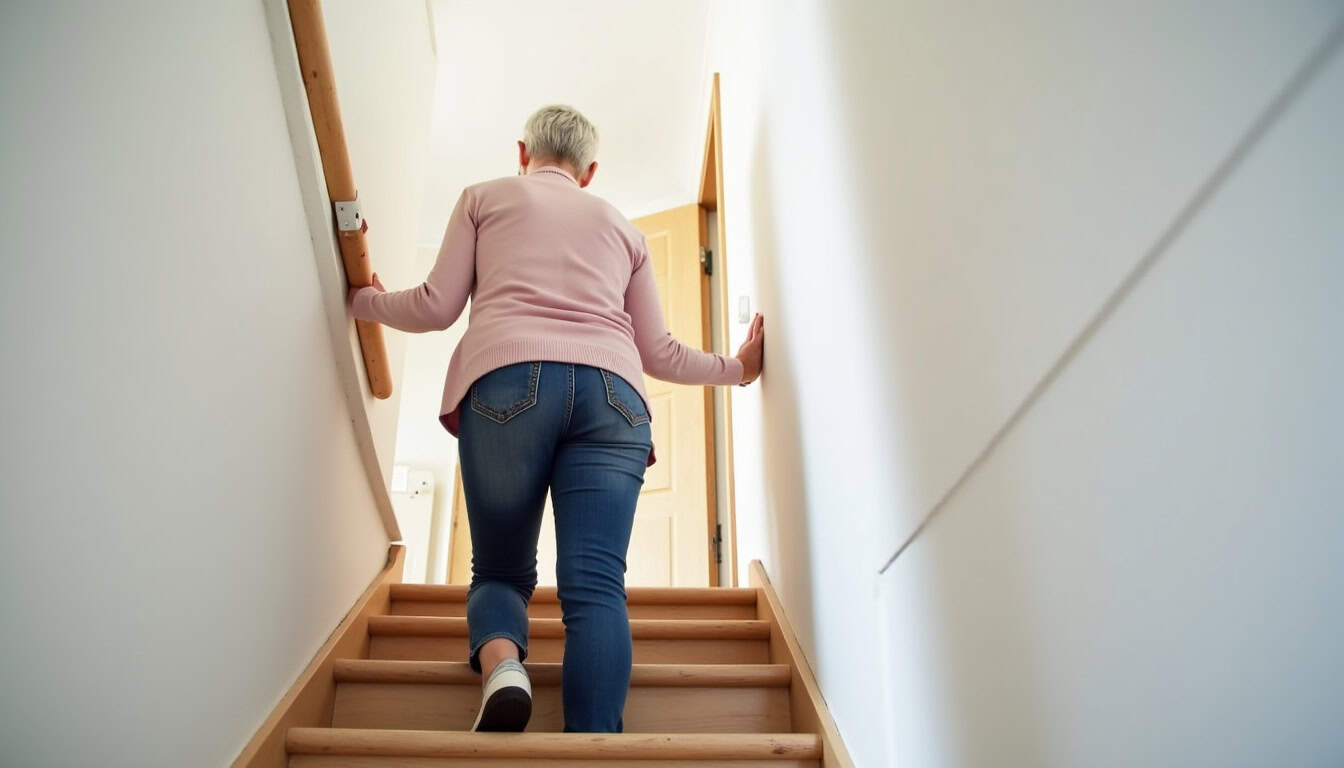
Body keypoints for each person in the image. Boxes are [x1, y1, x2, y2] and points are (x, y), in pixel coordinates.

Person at [348, 104, 765, 733]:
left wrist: (364, 300)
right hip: (615, 399)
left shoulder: (483, 199)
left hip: (507, 382)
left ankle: (504, 671)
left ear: (523, 153)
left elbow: (436, 307)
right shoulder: (624, 231)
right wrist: (738, 368)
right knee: (597, 585)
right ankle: (594, 744)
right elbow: (660, 352)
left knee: (499, 569)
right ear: (589, 171)